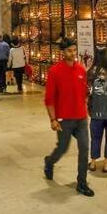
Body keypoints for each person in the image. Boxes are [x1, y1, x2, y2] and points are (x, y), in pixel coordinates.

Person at [43, 38, 92, 196]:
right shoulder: (55, 71)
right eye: (69, 50)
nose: (72, 53)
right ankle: (49, 162)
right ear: (62, 52)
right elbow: (49, 99)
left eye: (74, 50)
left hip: (81, 118)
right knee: (62, 148)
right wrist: (53, 119)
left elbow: (84, 93)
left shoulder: (81, 70)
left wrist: (86, 107)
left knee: (84, 148)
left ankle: (82, 182)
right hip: (64, 118)